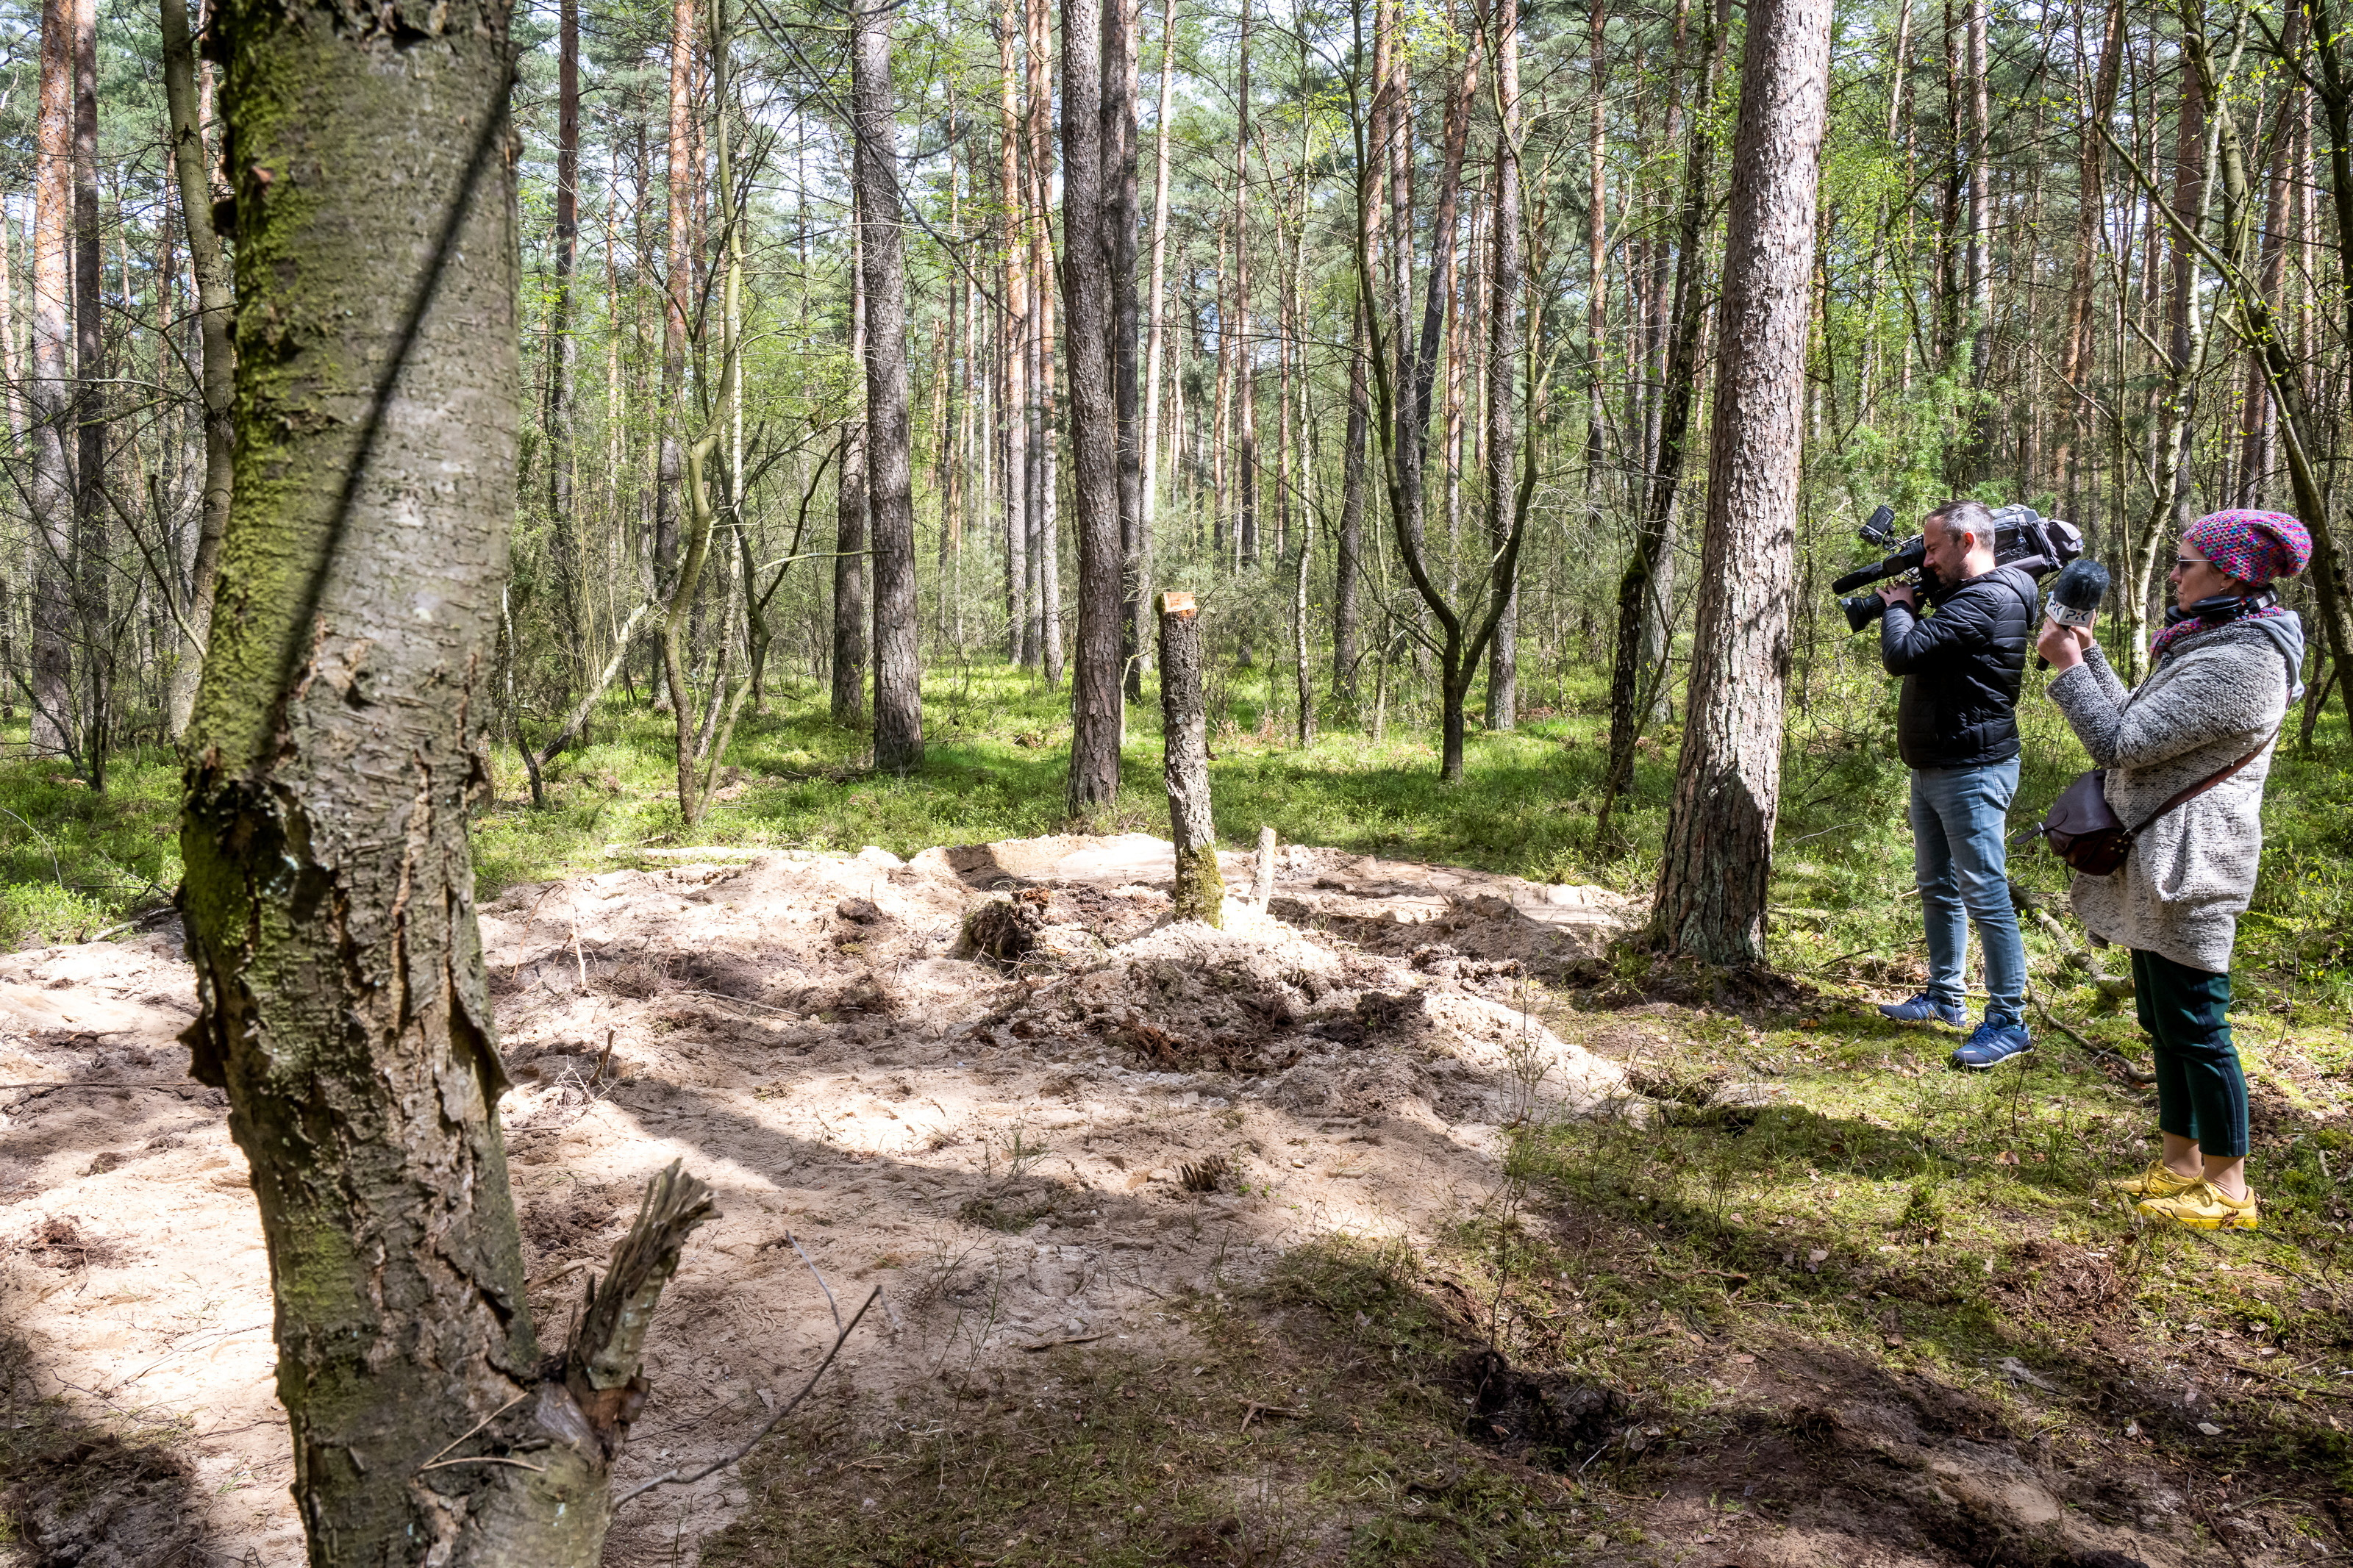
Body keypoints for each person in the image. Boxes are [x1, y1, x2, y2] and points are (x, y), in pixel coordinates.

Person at [2038, 509, 2310, 1231]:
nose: (2173, 573)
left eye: (2184, 562)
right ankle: (2178, 1164)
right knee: (2162, 1020)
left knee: (2196, 1025)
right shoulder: (2205, 643)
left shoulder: (2244, 662)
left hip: (2193, 867)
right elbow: (2137, 717)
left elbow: (2119, 741)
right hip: (2158, 861)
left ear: (2229, 574)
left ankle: (2228, 1189)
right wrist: (2088, 657)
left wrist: (2065, 669)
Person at [1874, 500, 2040, 1069]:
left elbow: (1903, 653)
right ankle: (1945, 997)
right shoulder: (1969, 597)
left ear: (1968, 542)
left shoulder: (1989, 600)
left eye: (1933, 548)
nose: (1926, 559)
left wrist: (1898, 606)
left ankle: (2008, 1020)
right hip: (1938, 764)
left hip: (1971, 769)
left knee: (1985, 892)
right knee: (1938, 885)